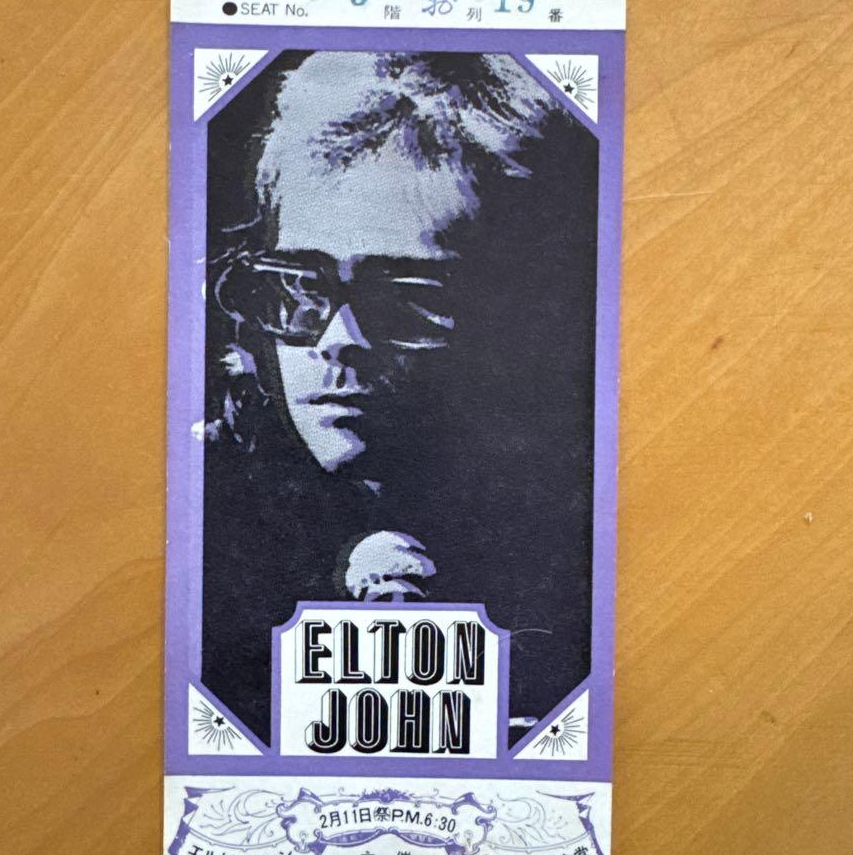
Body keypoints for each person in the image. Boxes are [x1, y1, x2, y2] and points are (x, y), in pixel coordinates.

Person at [201, 51, 599, 746]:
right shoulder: (204, 518)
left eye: (407, 301)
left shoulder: (579, 550)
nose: (338, 340)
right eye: (298, 287)